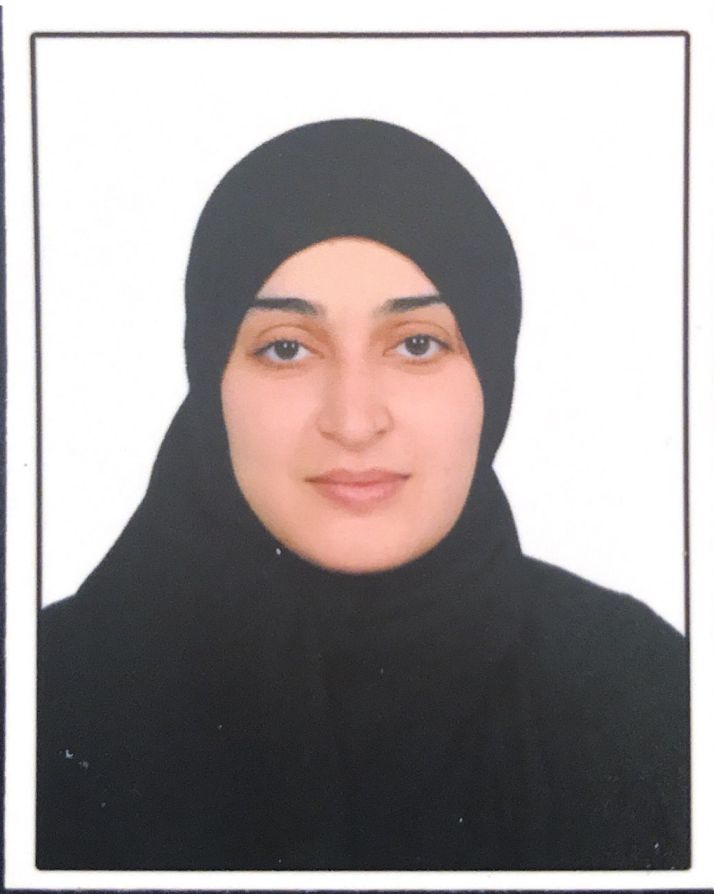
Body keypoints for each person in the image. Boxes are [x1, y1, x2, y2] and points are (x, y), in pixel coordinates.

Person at [37, 118, 689, 871]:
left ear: (494, 376)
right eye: (286, 348)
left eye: (417, 344)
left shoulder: (639, 691)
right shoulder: (48, 696)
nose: (353, 421)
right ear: (210, 379)